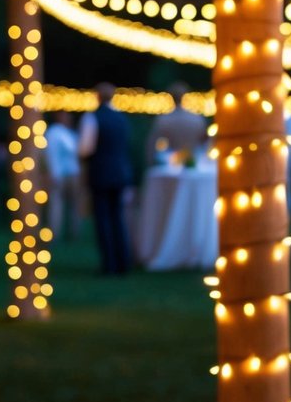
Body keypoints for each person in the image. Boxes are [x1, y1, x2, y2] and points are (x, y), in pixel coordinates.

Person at [79, 83, 133, 274]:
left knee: (102, 218)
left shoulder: (92, 118)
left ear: (97, 97)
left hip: (100, 172)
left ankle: (109, 264)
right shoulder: (121, 118)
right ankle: (123, 262)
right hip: (120, 172)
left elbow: (86, 148)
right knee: (118, 217)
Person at [144, 81, 206, 165]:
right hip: (194, 162)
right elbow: (204, 142)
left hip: (172, 164)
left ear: (171, 97)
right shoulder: (197, 119)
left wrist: (151, 162)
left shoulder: (164, 119)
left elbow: (152, 144)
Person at [44, 110, 81, 240]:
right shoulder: (54, 132)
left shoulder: (70, 133)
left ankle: (73, 233)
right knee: (56, 203)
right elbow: (51, 155)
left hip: (73, 173)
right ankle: (55, 234)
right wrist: (53, 173)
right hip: (59, 174)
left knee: (73, 205)